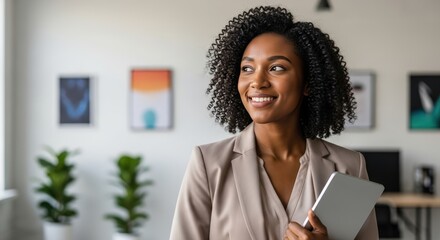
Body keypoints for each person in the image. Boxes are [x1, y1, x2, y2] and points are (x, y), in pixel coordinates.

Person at [170, 5, 378, 240]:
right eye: (247, 68)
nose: (257, 82)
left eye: (276, 68)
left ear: (308, 83)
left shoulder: (349, 167)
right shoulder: (209, 165)